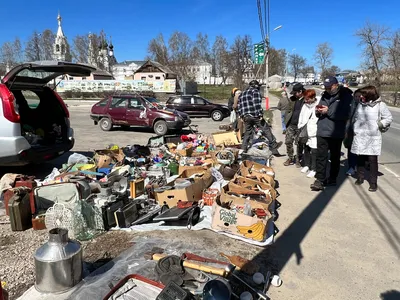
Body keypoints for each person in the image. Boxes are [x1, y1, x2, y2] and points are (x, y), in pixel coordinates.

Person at [310, 76, 353, 191]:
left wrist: (327, 111)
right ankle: (319, 179)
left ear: (336, 85)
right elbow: (319, 108)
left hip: (336, 132)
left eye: (329, 87)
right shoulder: (325, 95)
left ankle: (333, 178)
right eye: (326, 87)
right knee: (321, 156)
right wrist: (318, 111)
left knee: (334, 157)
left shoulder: (346, 96)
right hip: (322, 130)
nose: (327, 89)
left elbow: (345, 114)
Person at [351, 85, 393, 192]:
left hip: (373, 136)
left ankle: (373, 182)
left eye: (363, 94)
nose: (361, 97)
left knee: (372, 160)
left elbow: (388, 118)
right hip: (360, 135)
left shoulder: (380, 105)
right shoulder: (361, 105)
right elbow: (355, 117)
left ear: (370, 95)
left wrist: (379, 124)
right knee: (360, 157)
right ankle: (360, 177)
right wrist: (355, 127)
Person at [297, 89, 319, 178]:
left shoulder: (318, 105)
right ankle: (307, 165)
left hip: (314, 131)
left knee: (314, 151)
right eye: (305, 99)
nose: (306, 101)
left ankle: (314, 169)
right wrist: (300, 126)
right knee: (306, 149)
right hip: (305, 130)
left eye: (307, 99)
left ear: (313, 97)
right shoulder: (305, 106)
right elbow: (301, 116)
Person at [283, 83, 305, 167]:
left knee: (299, 144)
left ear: (300, 92)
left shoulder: (306, 100)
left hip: (300, 126)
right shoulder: (292, 99)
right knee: (288, 141)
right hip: (291, 125)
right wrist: (286, 119)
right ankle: (290, 158)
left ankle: (298, 159)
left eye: (295, 92)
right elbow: (288, 110)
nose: (294, 94)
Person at [344, 89, 361, 176]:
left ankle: (360, 167)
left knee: (360, 151)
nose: (358, 98)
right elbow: (347, 117)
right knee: (351, 149)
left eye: (359, 96)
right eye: (356, 96)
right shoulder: (350, 105)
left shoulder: (364, 105)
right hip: (350, 130)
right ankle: (351, 167)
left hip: (361, 132)